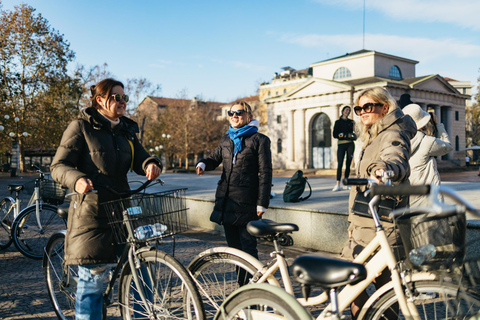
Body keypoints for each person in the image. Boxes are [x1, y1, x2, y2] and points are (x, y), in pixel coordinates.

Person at [51, 78, 162, 320]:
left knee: (141, 270)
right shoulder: (80, 127)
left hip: (123, 209)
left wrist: (150, 164)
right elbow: (58, 166)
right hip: (92, 213)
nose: (122, 102)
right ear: (100, 100)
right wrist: (78, 179)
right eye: (116, 97)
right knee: (92, 281)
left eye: (124, 97)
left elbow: (141, 157)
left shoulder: (127, 131)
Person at [341, 87, 416, 320]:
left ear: (385, 107)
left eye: (368, 106)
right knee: (359, 286)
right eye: (358, 108)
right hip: (366, 221)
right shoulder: (374, 134)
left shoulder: (393, 133)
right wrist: (351, 222)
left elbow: (395, 156)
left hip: (383, 223)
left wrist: (384, 170)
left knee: (382, 289)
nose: (362, 112)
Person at [196, 101, 272, 262]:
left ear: (249, 116)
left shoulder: (259, 140)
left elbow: (266, 173)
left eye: (239, 113)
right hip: (227, 202)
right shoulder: (226, 139)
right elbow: (214, 158)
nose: (234, 116)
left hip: (247, 202)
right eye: (231, 113)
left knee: (248, 247)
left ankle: (252, 284)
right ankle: (242, 285)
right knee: (234, 250)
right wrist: (202, 164)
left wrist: (262, 202)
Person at [402, 104, 453, 207]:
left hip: (406, 198)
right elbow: (448, 146)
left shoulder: (398, 141)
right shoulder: (427, 142)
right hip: (428, 199)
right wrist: (438, 125)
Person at [332, 106, 356, 191]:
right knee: (340, 164)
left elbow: (356, 133)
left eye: (349, 110)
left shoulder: (351, 122)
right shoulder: (338, 122)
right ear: (342, 111)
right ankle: (338, 184)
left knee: (348, 164)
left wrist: (353, 136)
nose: (347, 111)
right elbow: (334, 135)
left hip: (350, 144)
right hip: (341, 145)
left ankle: (346, 183)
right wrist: (342, 135)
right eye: (346, 110)